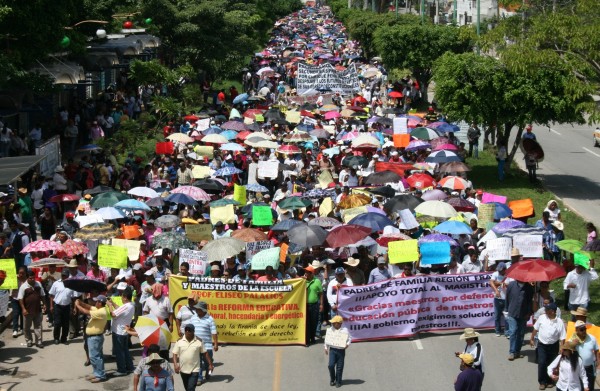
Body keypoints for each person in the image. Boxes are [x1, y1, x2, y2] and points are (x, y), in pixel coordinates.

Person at [530, 302, 565, 390]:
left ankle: (550, 381)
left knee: (551, 364)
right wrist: (531, 338)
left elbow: (562, 336)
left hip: (553, 346)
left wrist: (561, 347)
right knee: (542, 363)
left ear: (553, 311)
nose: (545, 311)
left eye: (547, 310)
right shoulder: (542, 318)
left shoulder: (559, 322)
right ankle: (542, 382)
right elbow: (535, 329)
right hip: (542, 344)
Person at [74, 295, 108, 383]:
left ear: (100, 303)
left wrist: (77, 305)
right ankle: (97, 373)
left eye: (97, 301)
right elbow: (88, 306)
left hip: (95, 338)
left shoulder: (101, 312)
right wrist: (80, 302)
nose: (95, 302)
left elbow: (85, 311)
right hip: (94, 337)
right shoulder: (98, 309)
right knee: (95, 356)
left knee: (95, 357)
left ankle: (100, 375)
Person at [172, 323, 214, 391]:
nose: (187, 332)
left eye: (189, 330)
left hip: (195, 370)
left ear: (193, 331)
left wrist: (210, 364)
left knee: (191, 388)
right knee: (187, 388)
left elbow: (205, 353)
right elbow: (174, 353)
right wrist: (175, 365)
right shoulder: (179, 341)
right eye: (186, 330)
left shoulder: (199, 341)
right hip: (183, 370)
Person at [107, 287, 136, 376]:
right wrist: (113, 303)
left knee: (119, 352)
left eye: (122, 297)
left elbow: (113, 314)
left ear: (125, 298)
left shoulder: (126, 306)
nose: (121, 298)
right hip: (124, 331)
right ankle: (130, 367)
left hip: (119, 332)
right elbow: (120, 309)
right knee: (125, 350)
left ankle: (122, 370)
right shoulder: (131, 305)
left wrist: (110, 306)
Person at [188, 301, 218, 384]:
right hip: (196, 344)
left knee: (208, 361)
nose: (196, 310)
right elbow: (190, 329)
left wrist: (215, 344)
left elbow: (214, 332)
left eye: (198, 309)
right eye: (196, 308)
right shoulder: (193, 317)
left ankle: (209, 371)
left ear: (203, 310)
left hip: (207, 345)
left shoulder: (210, 319)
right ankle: (199, 378)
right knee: (198, 362)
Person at [505, 278, 534, 361]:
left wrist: (529, 313)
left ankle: (517, 351)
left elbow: (530, 302)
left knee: (521, 333)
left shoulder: (529, 287)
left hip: (524, 314)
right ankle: (512, 352)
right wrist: (506, 309)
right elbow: (507, 297)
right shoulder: (511, 285)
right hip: (512, 313)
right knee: (513, 331)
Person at [18, 269, 46, 348]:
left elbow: (42, 295)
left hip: (37, 310)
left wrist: (44, 304)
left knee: (38, 326)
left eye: (33, 277)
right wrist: (23, 309)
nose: (32, 279)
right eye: (30, 278)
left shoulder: (38, 284)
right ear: (27, 278)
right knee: (27, 327)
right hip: (28, 311)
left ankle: (39, 341)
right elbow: (20, 299)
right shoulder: (23, 286)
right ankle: (29, 340)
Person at [49, 269, 77, 344]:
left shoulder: (71, 284)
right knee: (57, 323)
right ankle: (56, 338)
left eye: (65, 276)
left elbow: (74, 298)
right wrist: (51, 306)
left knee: (66, 324)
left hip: (67, 306)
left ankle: (64, 338)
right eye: (63, 275)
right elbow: (51, 295)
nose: (64, 277)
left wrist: (74, 307)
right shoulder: (56, 283)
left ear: (68, 276)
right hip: (57, 306)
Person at [571, 320, 599, 391]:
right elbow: (564, 351)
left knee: (590, 386)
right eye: (581, 329)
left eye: (585, 329)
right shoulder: (572, 339)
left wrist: (598, 361)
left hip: (590, 367)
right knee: (579, 387)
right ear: (576, 330)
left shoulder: (592, 338)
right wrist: (573, 345)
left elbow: (596, 350)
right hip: (578, 368)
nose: (584, 331)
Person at [324, 315, 351, 388]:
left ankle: (338, 381)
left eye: (334, 323)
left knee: (340, 367)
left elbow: (349, 339)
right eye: (332, 323)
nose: (332, 324)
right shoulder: (330, 330)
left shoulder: (345, 330)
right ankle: (332, 379)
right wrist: (326, 348)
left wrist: (347, 344)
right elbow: (327, 340)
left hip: (341, 351)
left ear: (339, 323)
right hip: (332, 350)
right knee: (331, 365)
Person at [490, 262, 510, 337]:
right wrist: (496, 290)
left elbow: (510, 284)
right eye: (498, 270)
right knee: (497, 316)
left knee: (507, 317)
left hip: (506, 298)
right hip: (497, 298)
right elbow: (491, 282)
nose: (499, 271)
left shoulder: (509, 275)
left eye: (500, 270)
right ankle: (498, 330)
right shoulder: (495, 274)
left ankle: (507, 332)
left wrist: (499, 283)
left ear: (505, 269)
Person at [304, 265, 323, 346]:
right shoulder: (303, 281)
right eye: (306, 272)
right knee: (307, 323)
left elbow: (321, 293)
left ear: (312, 273)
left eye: (308, 272)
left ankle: (312, 338)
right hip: (305, 305)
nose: (306, 274)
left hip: (314, 305)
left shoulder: (317, 281)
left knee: (314, 322)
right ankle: (307, 340)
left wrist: (321, 304)